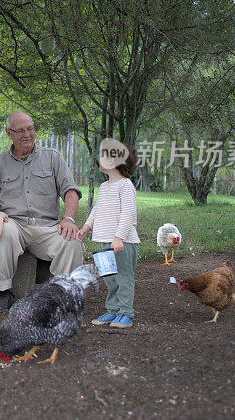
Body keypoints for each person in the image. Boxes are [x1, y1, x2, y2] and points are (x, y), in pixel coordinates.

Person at [0, 111, 83, 310]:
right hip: (15, 225)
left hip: (48, 227)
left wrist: (68, 218)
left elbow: (70, 190)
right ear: (9, 133)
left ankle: (63, 294)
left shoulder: (53, 158)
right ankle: (4, 290)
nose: (27, 134)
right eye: (21, 130)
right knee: (2, 229)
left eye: (30, 129)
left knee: (72, 240)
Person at [77, 140, 139, 329]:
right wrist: (87, 227)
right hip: (105, 242)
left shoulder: (125, 186)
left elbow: (129, 213)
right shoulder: (105, 187)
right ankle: (113, 310)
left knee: (123, 277)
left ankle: (126, 312)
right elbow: (97, 209)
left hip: (122, 242)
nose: (101, 159)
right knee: (110, 278)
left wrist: (119, 237)